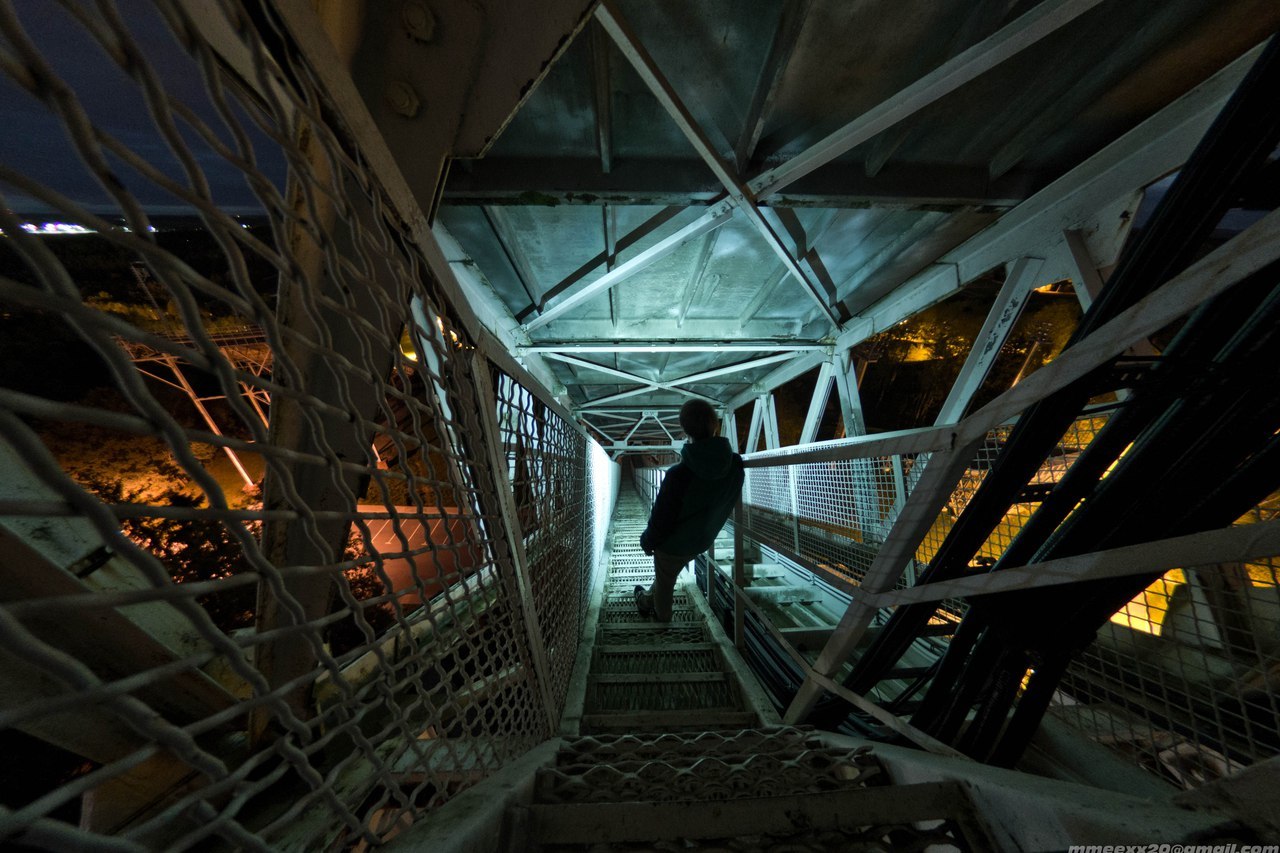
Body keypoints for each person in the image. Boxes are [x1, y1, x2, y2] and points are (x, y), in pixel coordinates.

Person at [636, 399, 745, 621]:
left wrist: (647, 541)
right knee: (667, 573)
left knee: (666, 578)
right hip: (702, 540)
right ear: (715, 425)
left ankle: (661, 616)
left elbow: (662, 518)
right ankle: (647, 598)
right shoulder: (735, 465)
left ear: (685, 430)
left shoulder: (679, 474)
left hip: (673, 544)